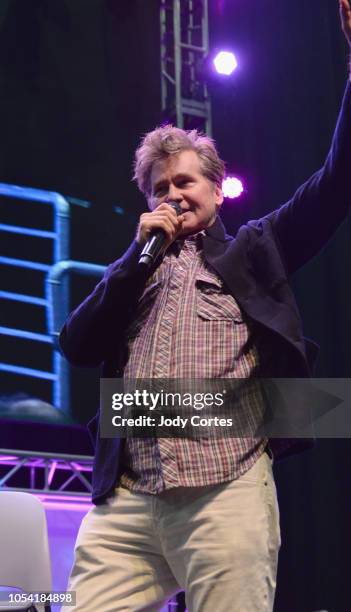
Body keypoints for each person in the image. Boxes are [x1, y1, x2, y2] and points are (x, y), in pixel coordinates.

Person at [60, 3, 351, 610]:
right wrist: (133, 258)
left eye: (185, 182)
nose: (172, 195)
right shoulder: (134, 270)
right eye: (159, 188)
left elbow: (336, 182)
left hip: (224, 489)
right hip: (128, 500)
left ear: (217, 189)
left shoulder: (254, 249)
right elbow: (76, 343)